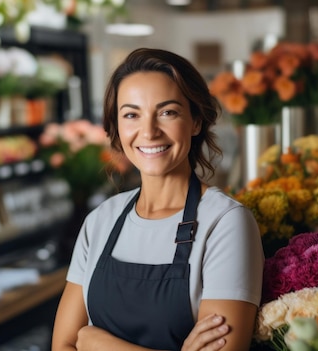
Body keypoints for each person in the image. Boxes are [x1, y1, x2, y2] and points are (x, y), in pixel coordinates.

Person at [51, 47, 264, 351]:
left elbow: (78, 340)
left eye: (167, 112)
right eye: (131, 114)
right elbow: (62, 346)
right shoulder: (100, 221)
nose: (148, 131)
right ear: (117, 126)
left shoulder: (225, 223)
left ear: (195, 122)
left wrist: (96, 342)